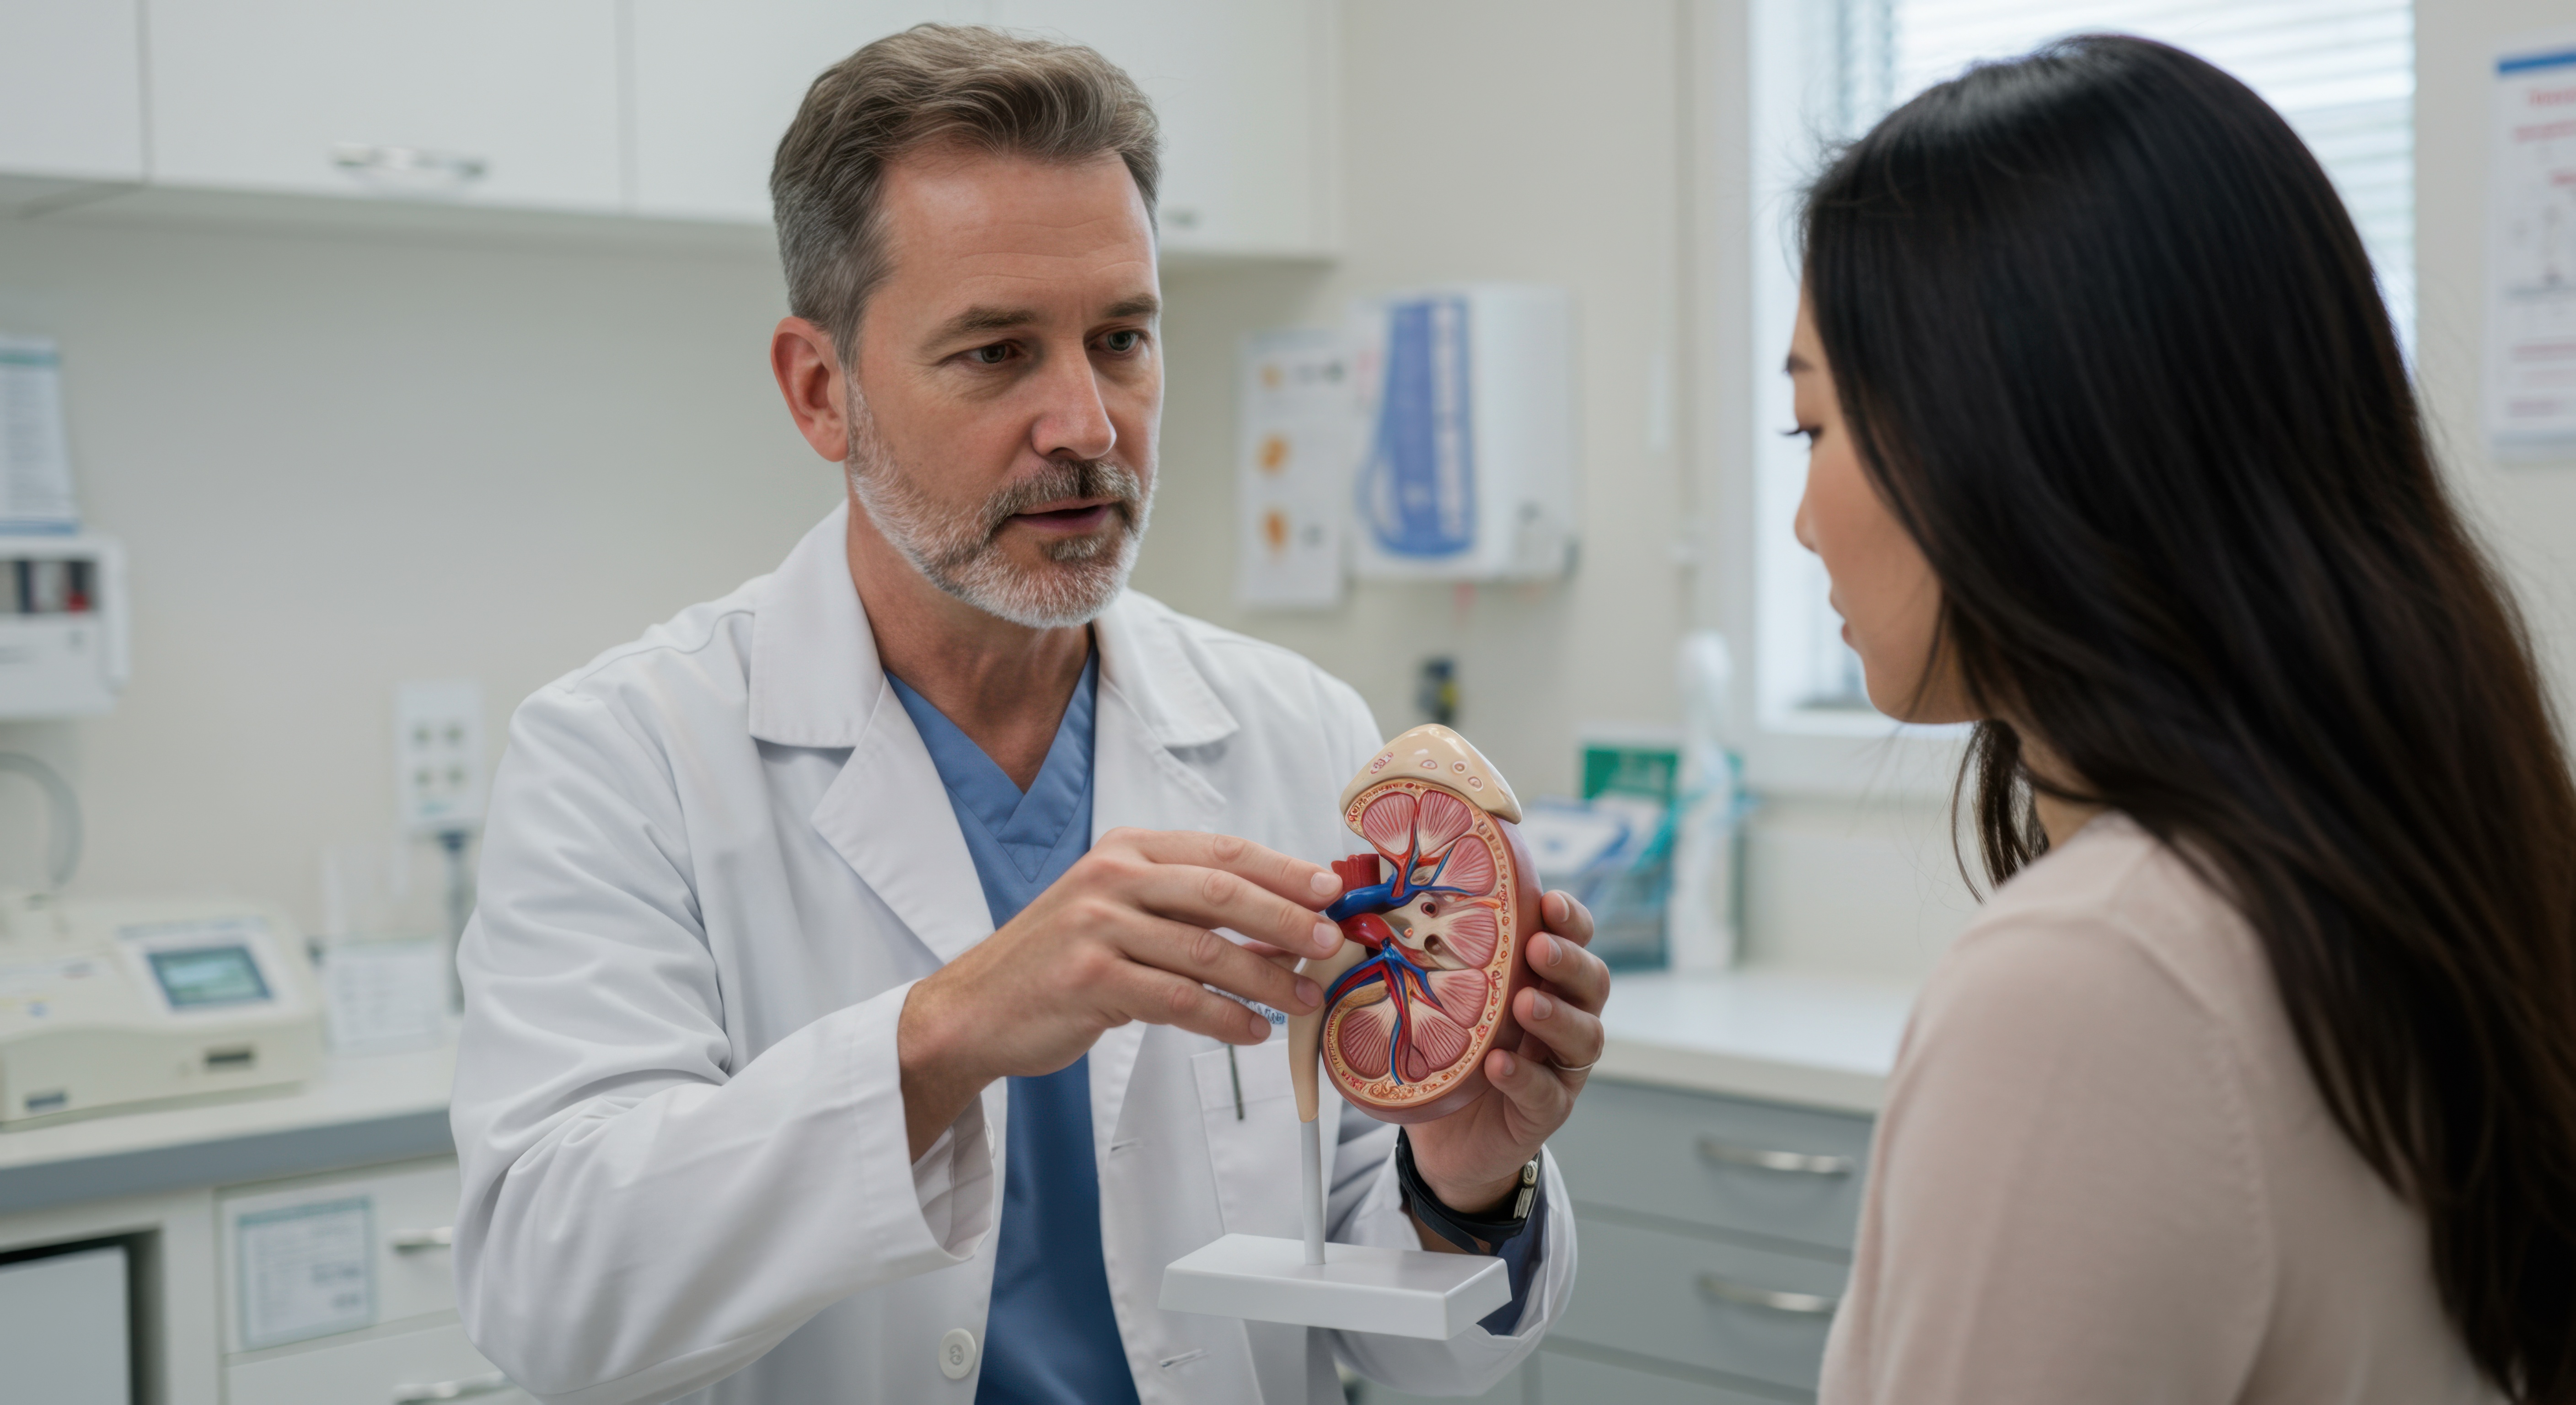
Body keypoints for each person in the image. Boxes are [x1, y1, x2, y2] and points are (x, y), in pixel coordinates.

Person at [446, 25, 1605, 1405]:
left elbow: (1390, 1346)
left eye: (1121, 339)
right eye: (998, 354)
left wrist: (1459, 1181)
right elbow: (551, 1294)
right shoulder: (626, 756)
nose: (1088, 424)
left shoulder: (1292, 725)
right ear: (823, 391)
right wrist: (946, 1033)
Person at [1788, 35, 2576, 1405]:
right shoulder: (2430, 851)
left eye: (1815, 431)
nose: (1804, 523)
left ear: (2006, 435)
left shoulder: (2094, 980)